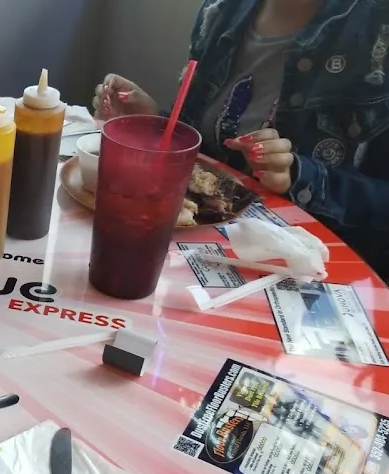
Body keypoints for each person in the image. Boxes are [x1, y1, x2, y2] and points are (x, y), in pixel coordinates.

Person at [93, 0, 389, 280]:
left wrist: (301, 176)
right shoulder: (222, 10)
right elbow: (214, 158)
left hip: (315, 277)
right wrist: (156, 122)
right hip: (201, 254)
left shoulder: (378, 29)